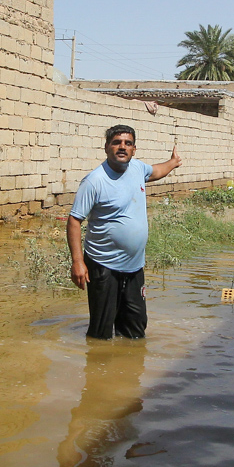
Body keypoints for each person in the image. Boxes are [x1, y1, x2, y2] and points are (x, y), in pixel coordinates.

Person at [67, 124, 181, 339]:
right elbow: (74, 220)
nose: (122, 147)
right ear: (106, 147)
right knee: (100, 333)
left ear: (134, 149)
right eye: (116, 142)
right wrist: (77, 262)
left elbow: (156, 171)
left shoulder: (138, 169)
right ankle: (97, 368)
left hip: (134, 266)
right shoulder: (95, 181)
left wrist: (173, 163)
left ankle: (128, 369)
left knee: (135, 330)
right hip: (103, 266)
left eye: (128, 143)